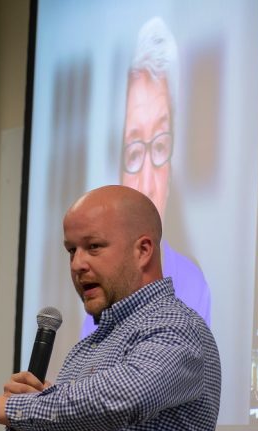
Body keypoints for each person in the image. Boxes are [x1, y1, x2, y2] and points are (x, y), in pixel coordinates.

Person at [0, 185, 222, 431]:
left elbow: (122, 400)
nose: (77, 264)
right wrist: (24, 428)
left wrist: (17, 408)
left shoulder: (176, 327)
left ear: (143, 251)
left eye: (93, 247)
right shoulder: (85, 349)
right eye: (71, 250)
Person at [82, 17, 211, 338]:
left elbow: (136, 387)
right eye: (135, 152)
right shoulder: (99, 290)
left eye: (161, 145)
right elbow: (90, 386)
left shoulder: (190, 285)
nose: (149, 181)